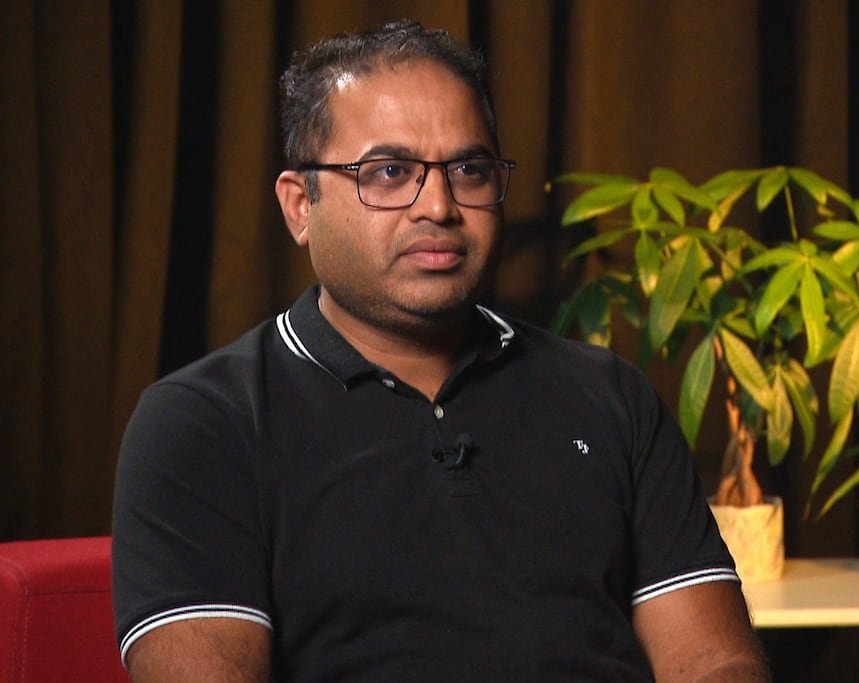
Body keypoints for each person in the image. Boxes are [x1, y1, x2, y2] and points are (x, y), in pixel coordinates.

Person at [111, 19, 769, 682]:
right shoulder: (202, 422)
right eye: (390, 172)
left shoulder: (610, 396)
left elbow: (715, 659)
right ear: (298, 205)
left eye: (469, 170)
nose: (440, 206)